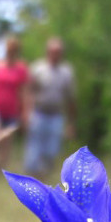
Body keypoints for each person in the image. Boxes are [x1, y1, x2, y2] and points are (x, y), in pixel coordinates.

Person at [24, 37, 77, 178]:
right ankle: (32, 183)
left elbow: (71, 99)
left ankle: (45, 181)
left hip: (56, 116)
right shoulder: (38, 68)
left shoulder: (67, 72)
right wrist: (26, 112)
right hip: (38, 114)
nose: (56, 54)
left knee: (51, 151)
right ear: (47, 52)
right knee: (34, 150)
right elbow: (29, 91)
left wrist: (71, 124)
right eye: (53, 51)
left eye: (58, 51)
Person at [0, 36, 30, 173]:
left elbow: (24, 91)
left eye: (13, 49)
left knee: (6, 143)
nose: (10, 52)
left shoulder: (21, 69)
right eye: (9, 49)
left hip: (12, 111)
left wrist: (25, 112)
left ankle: (0, 172)